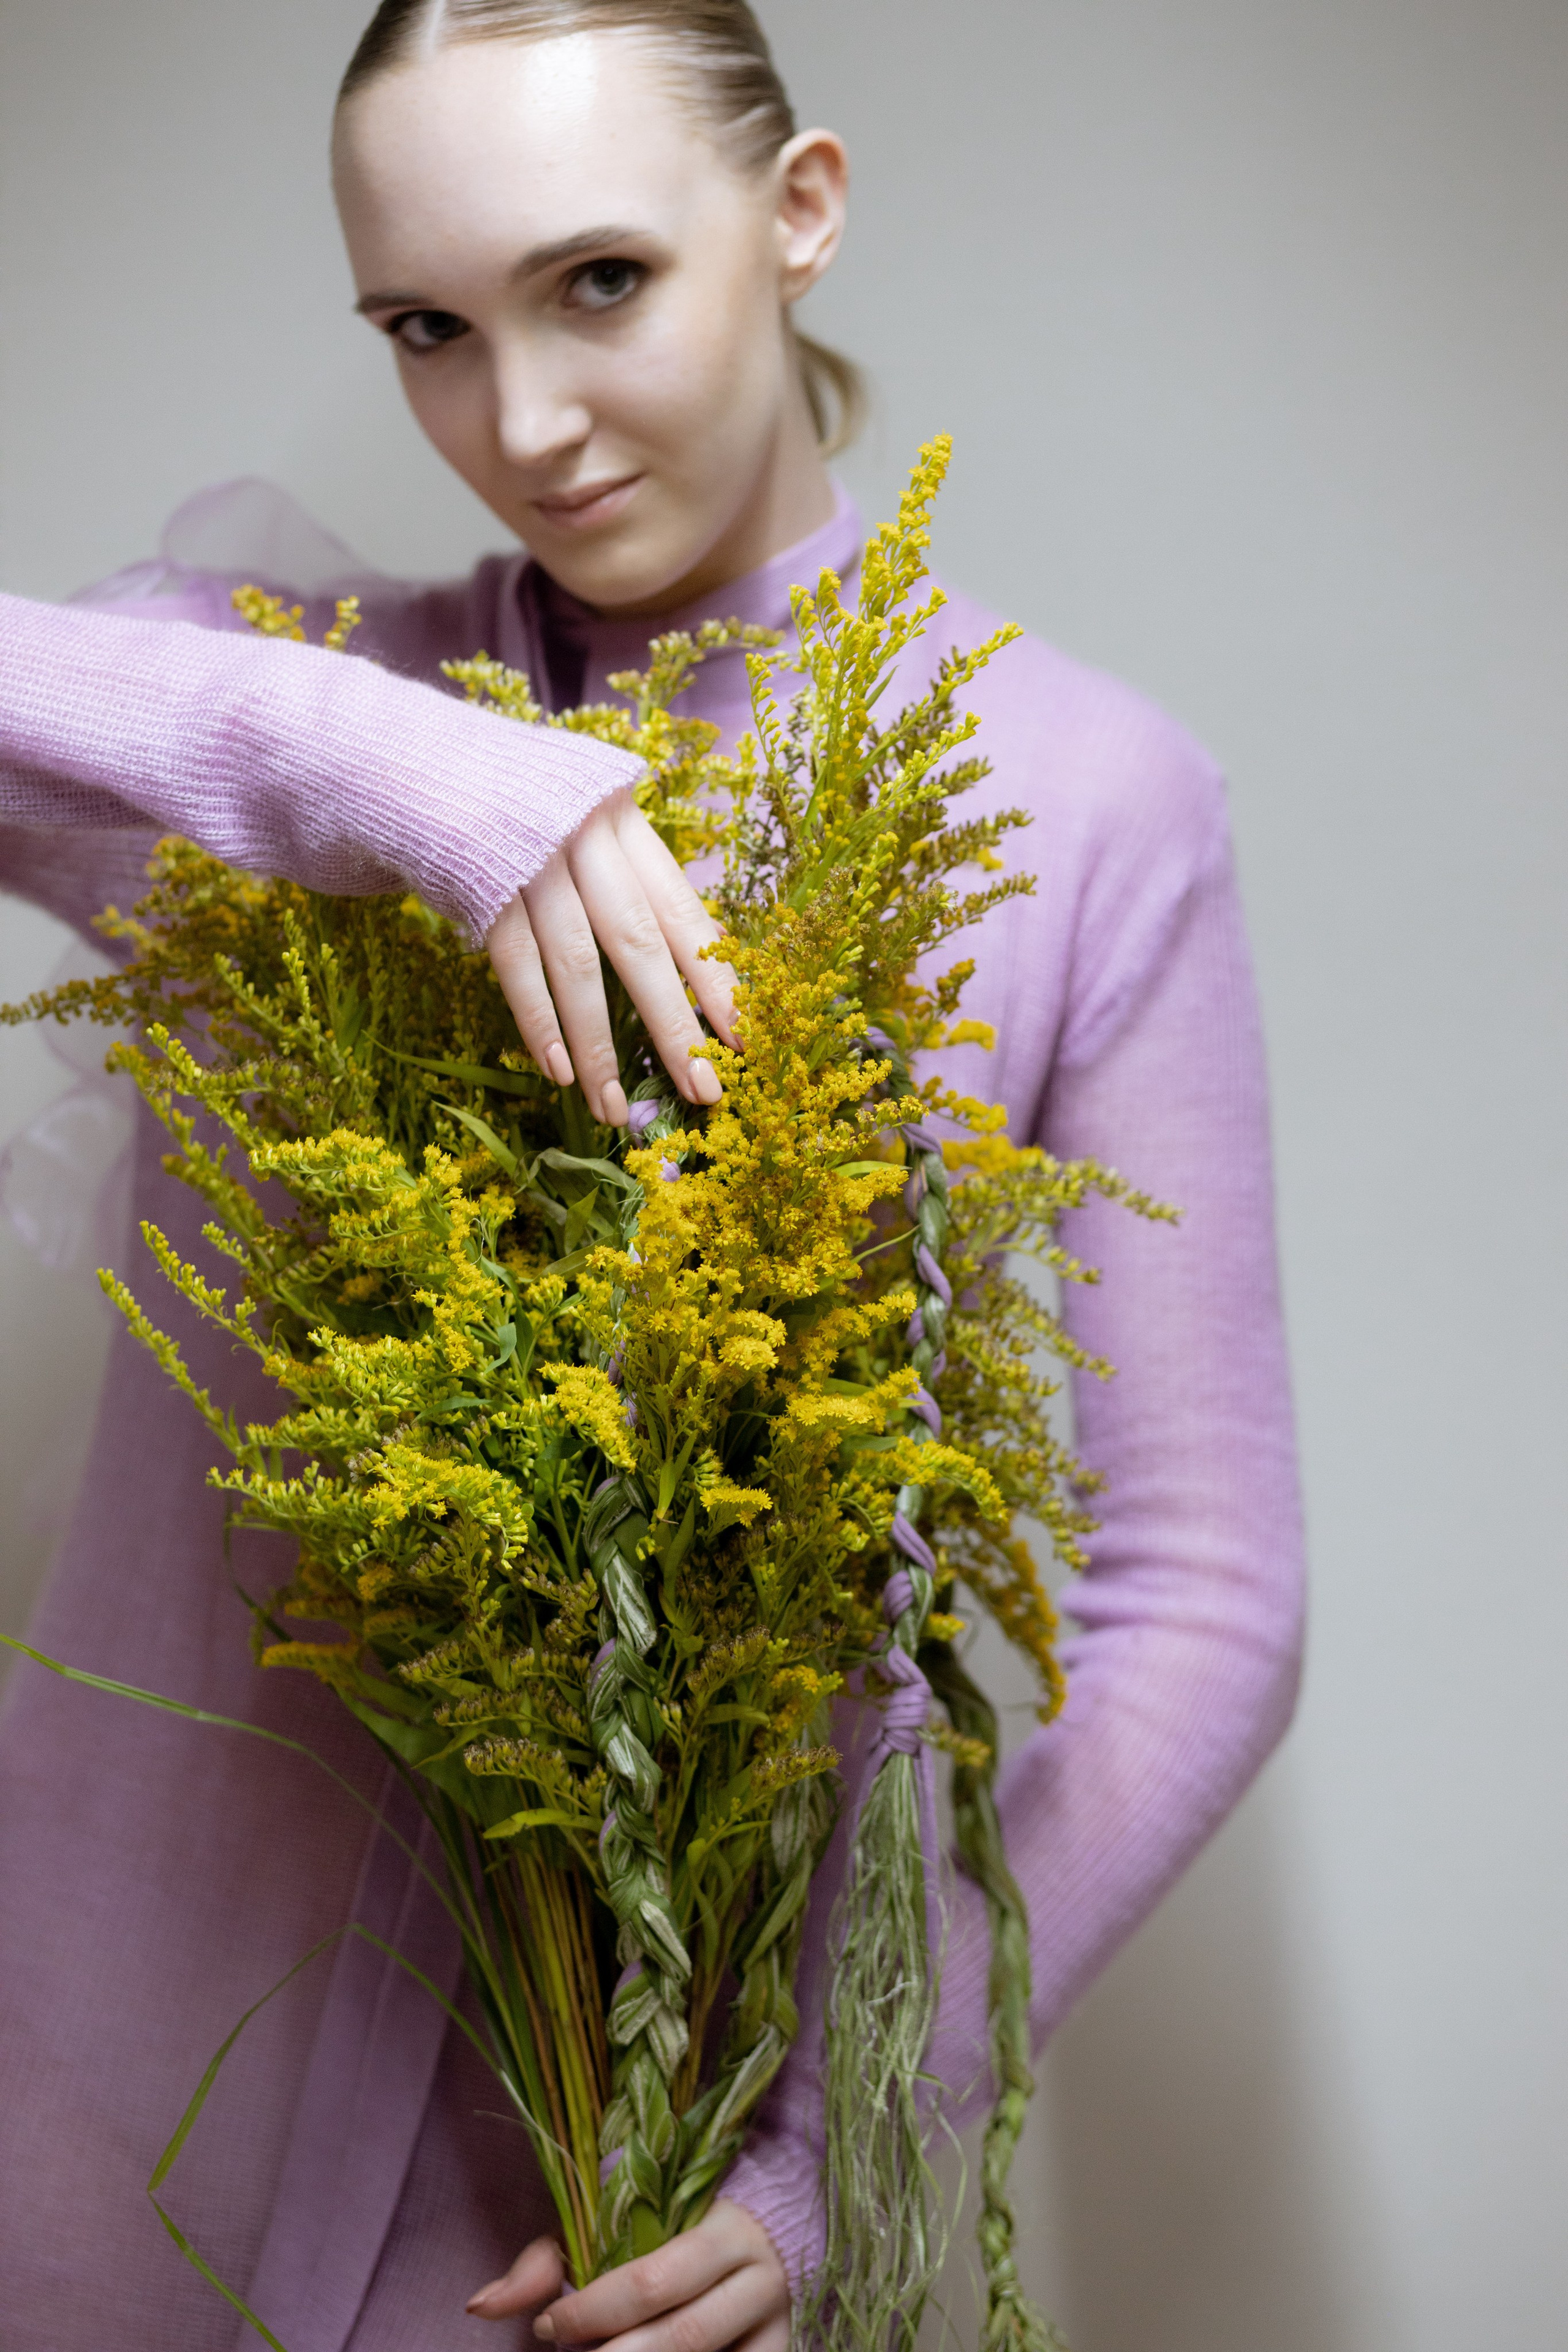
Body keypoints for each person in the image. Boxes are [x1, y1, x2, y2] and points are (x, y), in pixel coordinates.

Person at [0, 5, 1305, 2349]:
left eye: (599, 281)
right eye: (427, 328)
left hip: (624, 2193)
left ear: (800, 211)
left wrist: (843, 2148)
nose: (523, 422)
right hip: (121, 2125)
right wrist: (394, 774)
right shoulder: (299, 713)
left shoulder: (1087, 800)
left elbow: (1207, 1602)